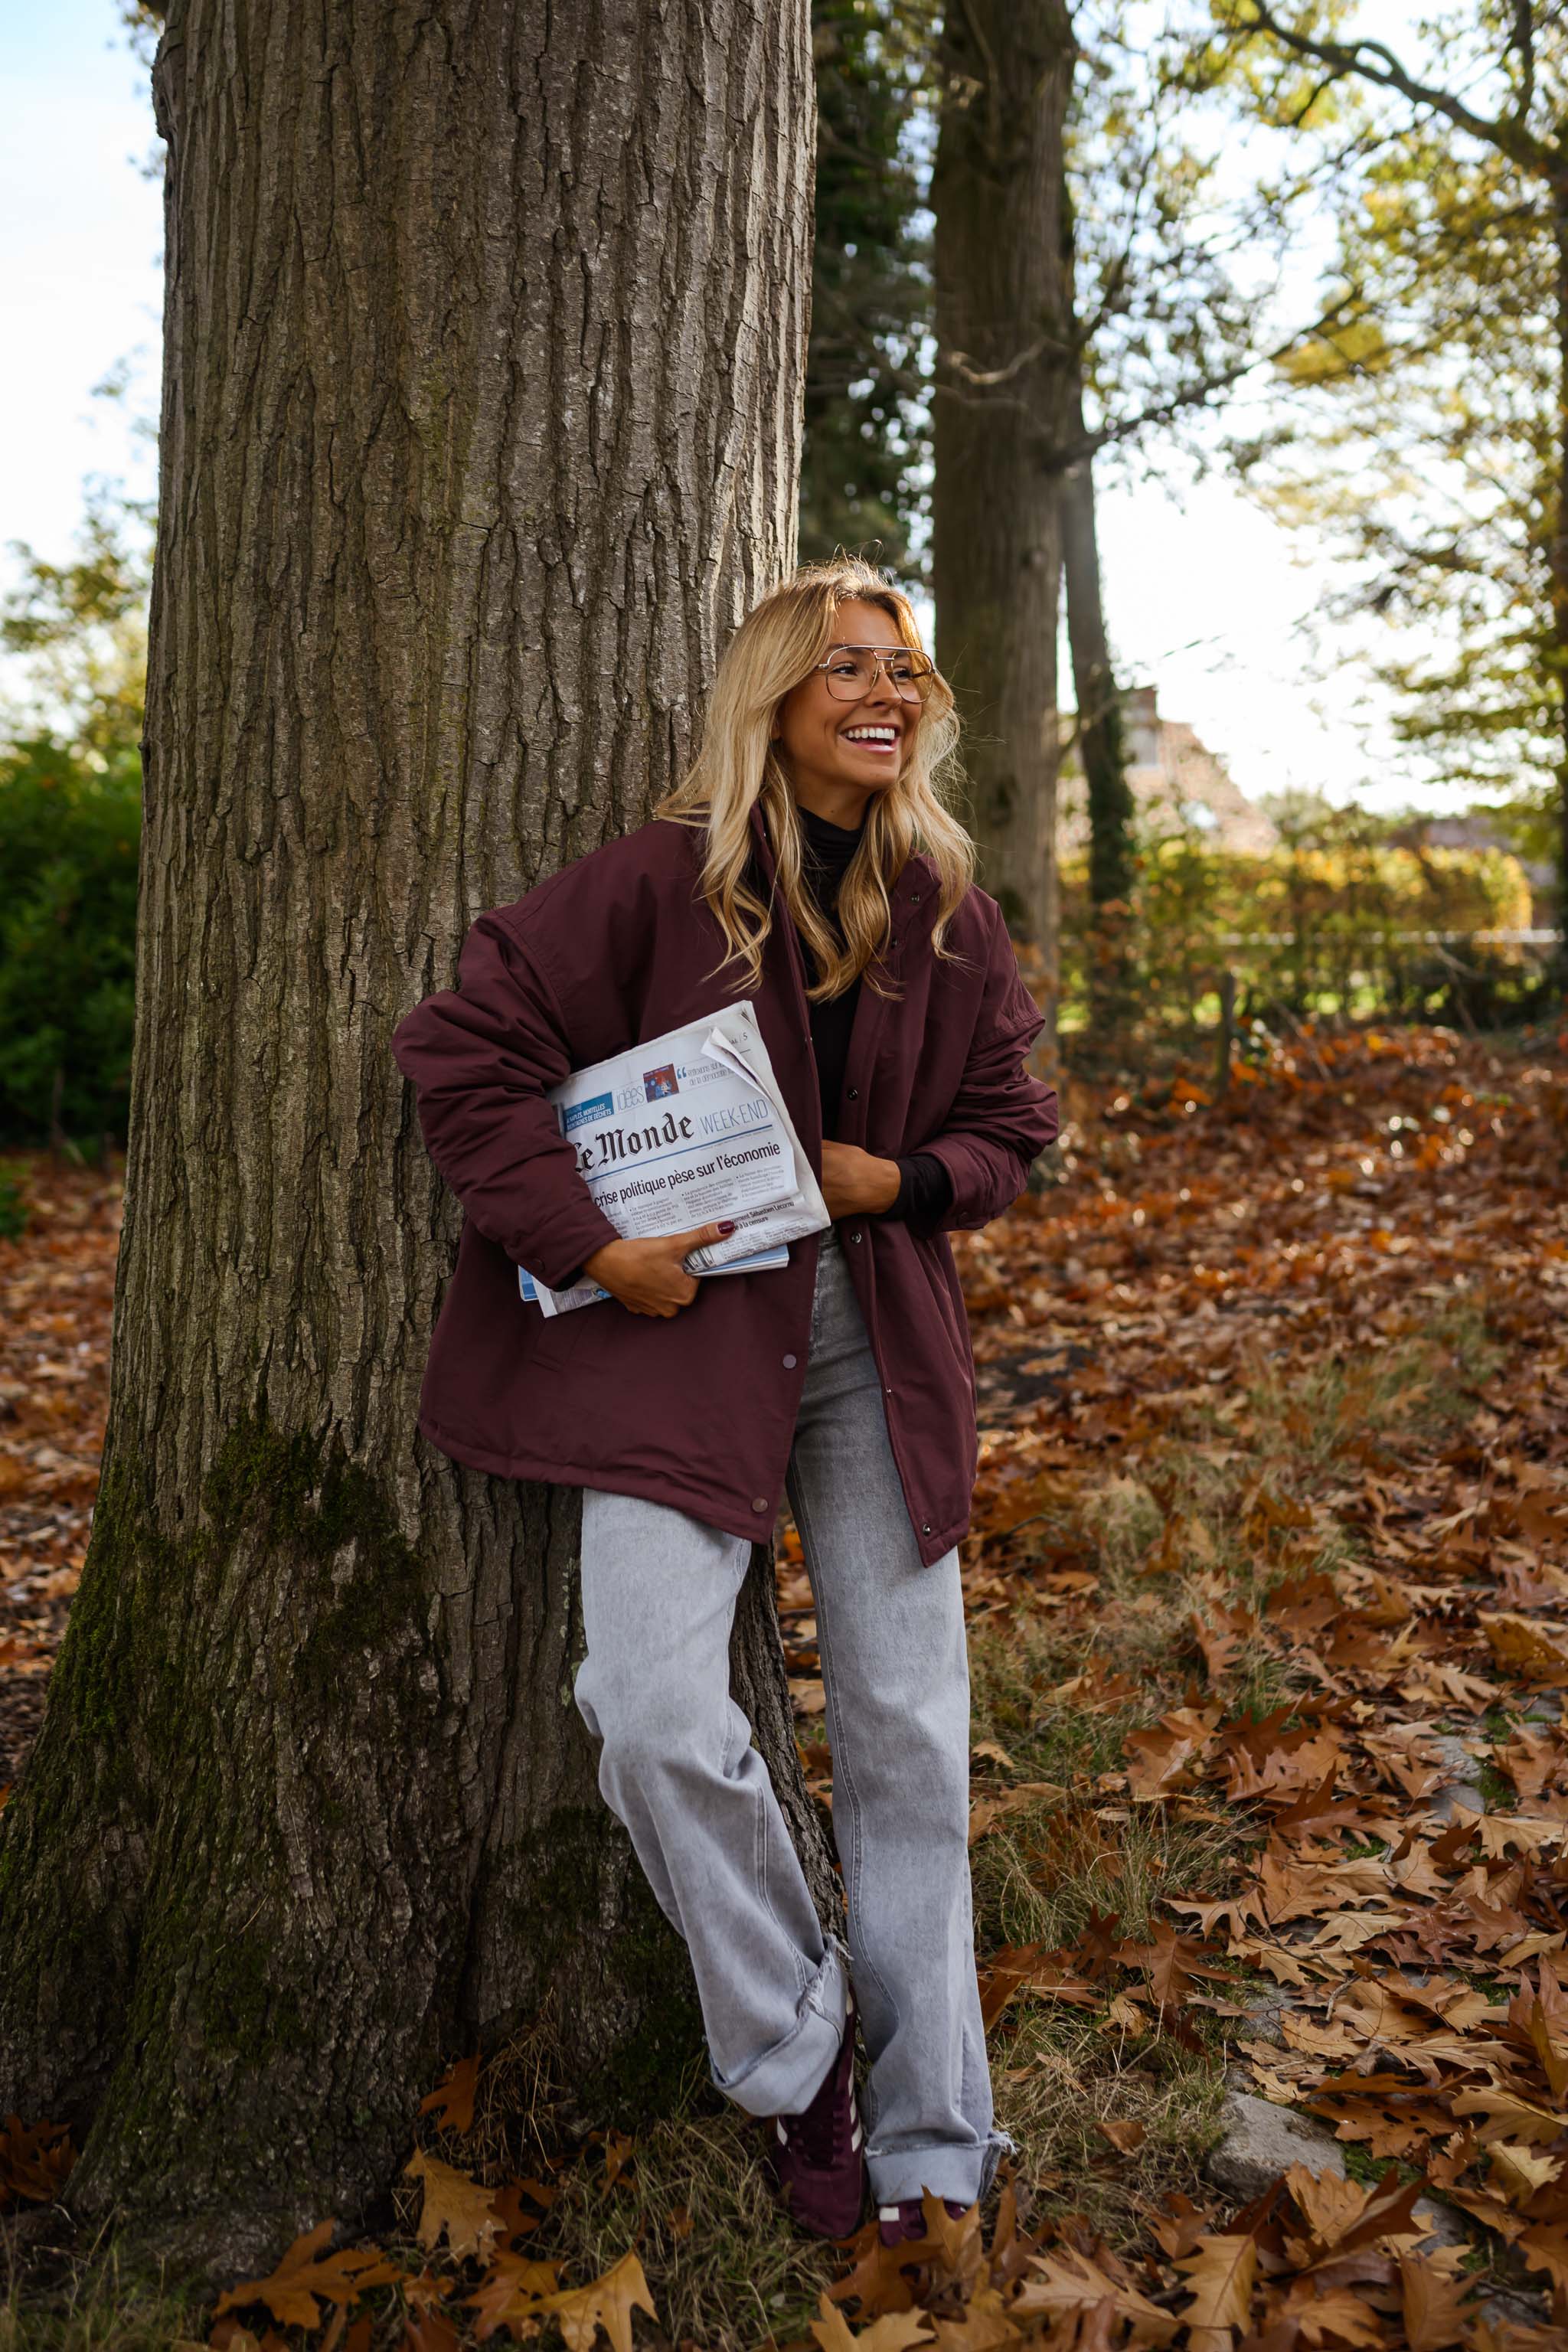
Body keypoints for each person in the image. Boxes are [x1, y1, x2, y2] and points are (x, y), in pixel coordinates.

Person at [392, 556, 1059, 2248]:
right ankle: (794, 2050)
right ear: (772, 690)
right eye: (850, 666)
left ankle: (933, 2144)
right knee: (645, 1707)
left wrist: (897, 1179)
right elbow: (461, 1051)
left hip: (876, 1339)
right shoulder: (652, 884)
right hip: (677, 1343)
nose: (887, 693)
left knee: (907, 1736)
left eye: (906, 672)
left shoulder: (945, 909)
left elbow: (1010, 1130)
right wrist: (588, 1244)